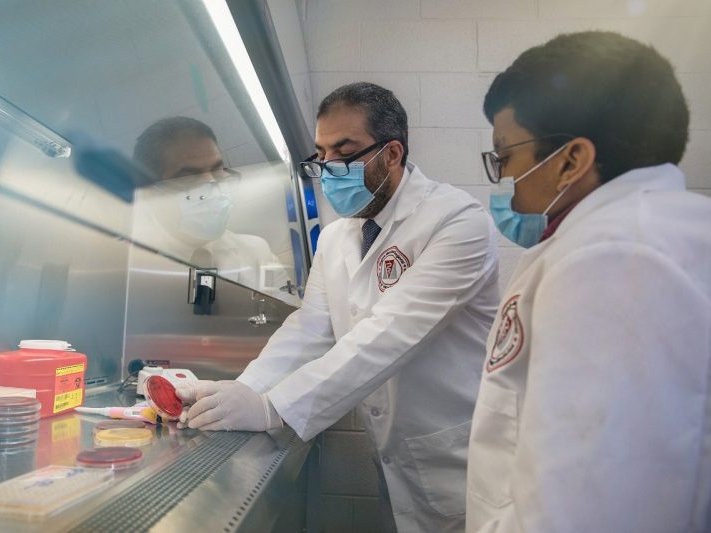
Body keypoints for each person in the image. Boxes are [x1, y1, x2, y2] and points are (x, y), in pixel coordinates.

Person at [177, 82, 500, 532]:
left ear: (392, 154)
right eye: (321, 153)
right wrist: (246, 390)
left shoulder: (456, 223)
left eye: (344, 152)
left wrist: (274, 408)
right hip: (395, 462)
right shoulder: (337, 235)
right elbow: (310, 328)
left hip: (454, 464)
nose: (329, 168)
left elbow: (389, 335)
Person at [466, 31, 711, 533]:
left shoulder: (616, 258)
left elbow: (584, 511)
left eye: (505, 156)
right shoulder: (630, 235)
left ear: (571, 160)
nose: (503, 181)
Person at [132, 116, 292, 299]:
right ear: (150, 194)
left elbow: (293, 318)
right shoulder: (126, 266)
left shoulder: (257, 251)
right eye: (189, 178)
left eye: (217, 171)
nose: (213, 187)